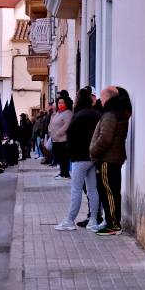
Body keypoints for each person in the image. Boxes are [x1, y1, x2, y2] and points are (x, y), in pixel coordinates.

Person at [55, 87, 102, 231]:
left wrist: (71, 153)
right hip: (93, 157)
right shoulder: (97, 114)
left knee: (76, 190)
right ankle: (93, 220)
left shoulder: (78, 115)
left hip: (79, 158)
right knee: (92, 189)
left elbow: (71, 136)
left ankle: (70, 220)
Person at [89, 85, 132, 236]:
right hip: (114, 158)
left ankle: (113, 224)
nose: (100, 99)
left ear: (109, 98)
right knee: (112, 192)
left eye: (103, 96)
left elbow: (105, 138)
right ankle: (112, 222)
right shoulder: (119, 113)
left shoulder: (110, 115)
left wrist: (93, 151)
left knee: (108, 192)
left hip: (107, 159)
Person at [48, 98, 72, 179]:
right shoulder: (58, 113)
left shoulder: (68, 113)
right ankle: (62, 172)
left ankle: (65, 174)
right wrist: (51, 130)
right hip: (56, 140)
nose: (60, 104)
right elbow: (53, 123)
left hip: (63, 139)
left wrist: (58, 132)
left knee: (64, 157)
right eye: (59, 103)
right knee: (59, 157)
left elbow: (67, 125)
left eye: (62, 103)